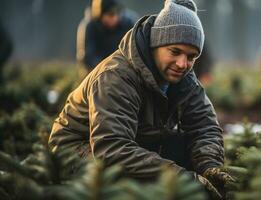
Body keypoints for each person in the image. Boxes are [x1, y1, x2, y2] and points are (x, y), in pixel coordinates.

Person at [50, 0, 233, 199]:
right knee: (123, 184)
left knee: (182, 154)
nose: (183, 64)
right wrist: (183, 178)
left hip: (136, 139)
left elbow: (205, 125)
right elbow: (111, 148)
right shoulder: (116, 77)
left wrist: (209, 167)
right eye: (175, 51)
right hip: (78, 148)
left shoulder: (185, 78)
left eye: (192, 57)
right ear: (156, 43)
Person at [76, 0, 136, 73]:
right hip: (96, 72)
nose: (115, 18)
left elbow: (134, 51)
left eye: (117, 13)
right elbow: (87, 57)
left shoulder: (128, 24)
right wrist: (106, 68)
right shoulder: (89, 27)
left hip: (123, 70)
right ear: (100, 14)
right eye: (111, 14)